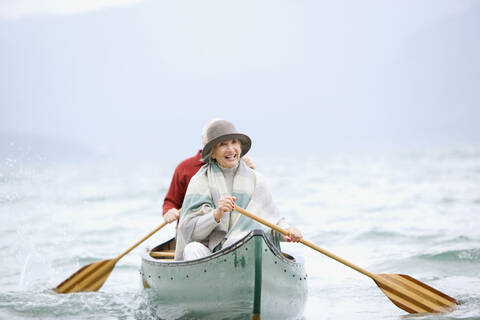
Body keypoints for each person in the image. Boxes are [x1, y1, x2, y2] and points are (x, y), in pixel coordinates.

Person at [175, 119, 302, 261]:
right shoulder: (200, 181)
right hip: (212, 254)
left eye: (234, 142)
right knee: (192, 249)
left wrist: (288, 231)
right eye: (223, 144)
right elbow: (190, 233)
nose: (230, 149)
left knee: (252, 242)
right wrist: (216, 214)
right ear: (212, 153)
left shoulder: (257, 180)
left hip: (248, 253)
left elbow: (273, 223)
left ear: (240, 148)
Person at [162, 119, 255, 224]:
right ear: (204, 140)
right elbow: (171, 201)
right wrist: (168, 211)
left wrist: (249, 172)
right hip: (196, 227)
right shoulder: (185, 168)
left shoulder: (239, 165)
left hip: (235, 228)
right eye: (222, 142)